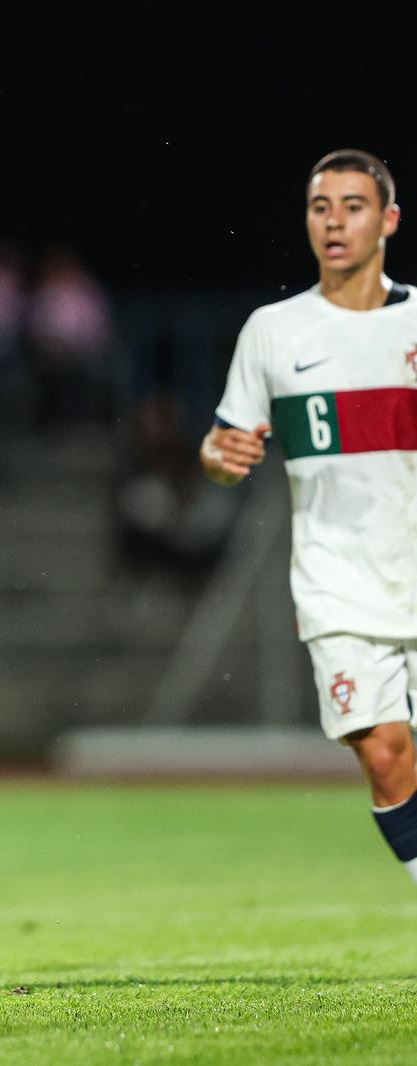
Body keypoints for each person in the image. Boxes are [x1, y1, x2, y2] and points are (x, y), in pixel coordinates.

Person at [201, 149, 417, 883]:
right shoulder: (274, 329)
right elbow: (224, 440)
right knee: (384, 754)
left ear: (387, 220)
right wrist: (218, 456)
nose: (334, 221)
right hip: (337, 585)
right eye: (321, 206)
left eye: (353, 206)